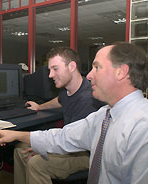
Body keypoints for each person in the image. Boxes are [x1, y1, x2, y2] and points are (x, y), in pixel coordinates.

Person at [0, 42, 148, 183]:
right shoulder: (104, 115)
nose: (89, 75)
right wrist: (17, 135)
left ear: (121, 72)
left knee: (35, 163)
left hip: (81, 156)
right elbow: (63, 137)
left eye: (97, 67)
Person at [13, 47, 103, 184]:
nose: (50, 75)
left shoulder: (87, 99)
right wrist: (39, 107)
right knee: (19, 149)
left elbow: (73, 142)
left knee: (36, 163)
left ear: (72, 66)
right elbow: (59, 101)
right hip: (69, 143)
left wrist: (44, 148)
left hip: (85, 154)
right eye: (50, 70)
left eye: (55, 69)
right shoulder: (69, 90)